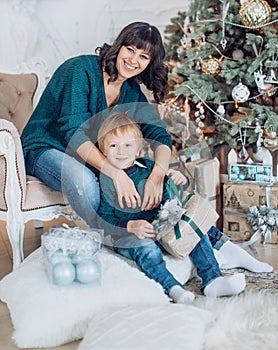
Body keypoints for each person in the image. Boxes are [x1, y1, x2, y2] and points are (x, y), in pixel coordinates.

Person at [21, 21, 173, 227]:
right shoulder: (80, 70)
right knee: (87, 184)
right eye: (130, 50)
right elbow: (75, 133)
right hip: (44, 149)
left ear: (149, 63)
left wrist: (157, 175)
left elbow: (159, 135)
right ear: (119, 47)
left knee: (138, 174)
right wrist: (115, 173)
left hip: (83, 156)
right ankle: (107, 237)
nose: (133, 60)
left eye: (143, 57)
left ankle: (138, 233)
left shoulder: (131, 91)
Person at [96, 112, 249, 303]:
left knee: (193, 228)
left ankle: (212, 279)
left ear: (137, 151)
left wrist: (180, 181)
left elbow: (170, 193)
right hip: (128, 234)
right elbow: (103, 218)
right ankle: (172, 288)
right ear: (103, 151)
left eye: (127, 145)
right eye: (113, 145)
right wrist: (130, 226)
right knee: (146, 249)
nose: (121, 151)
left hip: (160, 225)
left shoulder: (148, 167)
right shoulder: (106, 181)